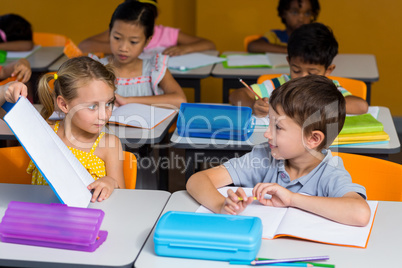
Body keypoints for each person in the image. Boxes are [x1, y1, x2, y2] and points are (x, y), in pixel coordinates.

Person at [187, 75, 371, 227]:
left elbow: (360, 213)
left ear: (313, 139)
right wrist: (221, 206)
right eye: (269, 122)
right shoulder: (263, 156)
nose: (267, 133)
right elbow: (197, 180)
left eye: (278, 127)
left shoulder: (330, 172)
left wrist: (292, 199)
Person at [25, 56, 125, 202]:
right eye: (93, 106)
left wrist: (111, 183)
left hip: (88, 220)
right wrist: (5, 90)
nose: (104, 114)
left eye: (109, 103)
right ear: (64, 105)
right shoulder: (44, 132)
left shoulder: (109, 145)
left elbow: (124, 197)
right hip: (41, 218)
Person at [231, 22, 369, 117]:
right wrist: (253, 105)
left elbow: (361, 106)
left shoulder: (328, 89)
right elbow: (236, 95)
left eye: (312, 73)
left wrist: (319, 104)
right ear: (289, 62)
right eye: (296, 70)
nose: (303, 77)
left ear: (328, 71)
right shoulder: (279, 85)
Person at [91, 0, 186, 108]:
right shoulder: (96, 69)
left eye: (133, 42)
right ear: (110, 32)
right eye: (117, 38)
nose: (123, 48)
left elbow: (180, 100)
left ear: (147, 41)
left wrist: (128, 101)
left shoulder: (154, 68)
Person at [78, 0, 215, 57]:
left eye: (134, 41)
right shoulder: (119, 33)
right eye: (118, 38)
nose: (125, 46)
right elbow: (83, 46)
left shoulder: (168, 34)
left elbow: (209, 44)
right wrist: (122, 47)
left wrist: (184, 49)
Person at [248, 0, 320, 53]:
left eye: (307, 13)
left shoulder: (314, 38)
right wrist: (292, 51)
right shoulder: (275, 36)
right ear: (283, 13)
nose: (301, 19)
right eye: (295, 12)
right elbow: (253, 46)